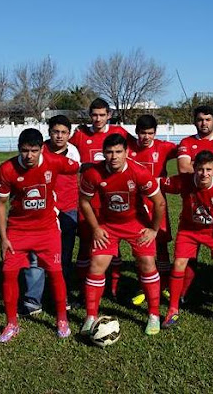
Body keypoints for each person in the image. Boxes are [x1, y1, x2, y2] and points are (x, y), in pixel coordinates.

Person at [0, 128, 79, 342]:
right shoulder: (6, 169)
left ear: (42, 148)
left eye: (34, 150)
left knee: (56, 273)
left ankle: (62, 320)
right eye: (24, 150)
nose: (29, 155)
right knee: (8, 274)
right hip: (17, 231)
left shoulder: (54, 161)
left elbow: (77, 166)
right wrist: (3, 238)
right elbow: (0, 204)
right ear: (18, 149)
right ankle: (11, 324)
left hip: (47, 230)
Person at [78, 134, 166, 336]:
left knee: (147, 263)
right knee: (96, 265)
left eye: (118, 152)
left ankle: (153, 314)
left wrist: (153, 229)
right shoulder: (93, 173)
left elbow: (159, 202)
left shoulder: (139, 172)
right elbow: (84, 201)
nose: (114, 157)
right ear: (103, 153)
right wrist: (96, 228)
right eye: (109, 152)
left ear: (127, 152)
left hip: (136, 223)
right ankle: (90, 316)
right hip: (108, 225)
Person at [159, 150, 213, 330]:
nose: (204, 174)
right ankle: (173, 310)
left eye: (208, 169)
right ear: (194, 168)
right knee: (179, 264)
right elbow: (156, 183)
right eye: (200, 169)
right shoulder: (184, 181)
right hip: (189, 230)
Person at [70, 98, 132, 299]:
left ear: (109, 115)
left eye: (102, 115)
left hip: (112, 199)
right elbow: (63, 149)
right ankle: (82, 288)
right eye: (94, 115)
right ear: (90, 115)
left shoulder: (119, 132)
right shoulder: (80, 134)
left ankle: (114, 288)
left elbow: (138, 145)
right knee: (86, 243)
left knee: (114, 245)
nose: (98, 119)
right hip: (87, 199)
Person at [20, 115, 81, 316]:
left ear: (69, 134)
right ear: (49, 132)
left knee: (63, 256)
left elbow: (78, 178)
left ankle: (61, 298)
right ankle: (32, 301)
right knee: (35, 256)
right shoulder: (39, 150)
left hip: (68, 210)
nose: (59, 136)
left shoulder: (74, 152)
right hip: (41, 211)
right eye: (56, 131)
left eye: (64, 132)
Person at [175, 105, 213, 301]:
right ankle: (183, 294)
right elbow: (183, 168)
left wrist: (199, 167)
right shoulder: (186, 142)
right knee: (187, 257)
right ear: (195, 121)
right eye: (200, 119)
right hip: (192, 207)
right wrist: (208, 169)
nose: (204, 123)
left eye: (208, 120)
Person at [127, 114, 178, 306]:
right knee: (140, 247)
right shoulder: (128, 148)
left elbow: (188, 150)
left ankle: (164, 284)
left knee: (162, 245)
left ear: (155, 133)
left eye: (150, 133)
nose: (146, 137)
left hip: (157, 204)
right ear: (136, 132)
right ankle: (142, 286)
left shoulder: (164, 147)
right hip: (135, 207)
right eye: (142, 133)